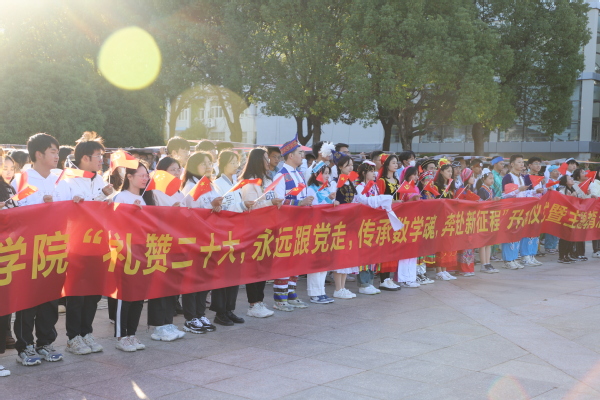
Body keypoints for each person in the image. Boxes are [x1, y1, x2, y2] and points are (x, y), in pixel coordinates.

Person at [13, 133, 71, 366]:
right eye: (53, 151)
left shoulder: (61, 179)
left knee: (50, 298)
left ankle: (45, 342)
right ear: (38, 154)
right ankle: (25, 346)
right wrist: (41, 207)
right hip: (28, 249)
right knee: (27, 299)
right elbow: (13, 213)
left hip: (55, 248)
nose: (57, 156)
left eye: (57, 152)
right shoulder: (22, 179)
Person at [63, 132, 114, 355]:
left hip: (98, 242)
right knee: (77, 293)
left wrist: (109, 199)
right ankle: (73, 337)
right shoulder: (69, 180)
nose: (101, 160)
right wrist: (99, 198)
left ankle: (87, 333)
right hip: (76, 245)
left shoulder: (99, 179)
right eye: (98, 156)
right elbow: (71, 211)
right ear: (84, 158)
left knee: (93, 291)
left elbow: (103, 208)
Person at [111, 162, 153, 352]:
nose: (145, 179)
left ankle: (132, 334)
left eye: (146, 175)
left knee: (138, 295)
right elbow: (116, 224)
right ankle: (121, 336)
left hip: (142, 251)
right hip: (125, 252)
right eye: (141, 175)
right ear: (129, 177)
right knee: (125, 295)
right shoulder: (121, 197)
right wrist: (130, 213)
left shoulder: (144, 198)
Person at [180, 152, 221, 333]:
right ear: (194, 166)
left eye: (210, 163)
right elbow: (190, 213)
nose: (208, 167)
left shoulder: (210, 184)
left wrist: (217, 206)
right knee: (193, 278)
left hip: (208, 238)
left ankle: (200, 313)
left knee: (204, 277)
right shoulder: (190, 186)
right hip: (194, 238)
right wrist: (211, 206)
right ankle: (190, 317)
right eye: (204, 163)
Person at [272, 135, 314, 311]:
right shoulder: (281, 175)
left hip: (300, 224)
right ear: (290, 156)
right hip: (286, 225)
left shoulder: (299, 174)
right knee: (284, 261)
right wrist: (300, 203)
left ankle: (291, 294)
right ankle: (280, 299)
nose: (302, 156)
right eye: (300, 153)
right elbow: (278, 202)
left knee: (296, 260)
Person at [147, 157, 186, 342]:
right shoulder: (154, 190)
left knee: (172, 285)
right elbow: (153, 216)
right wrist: (171, 211)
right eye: (172, 169)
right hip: (160, 243)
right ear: (162, 171)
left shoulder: (178, 191)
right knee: (159, 285)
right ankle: (158, 326)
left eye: (178, 169)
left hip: (176, 242)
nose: (177, 172)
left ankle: (168, 321)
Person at [210, 150, 251, 326]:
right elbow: (223, 208)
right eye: (233, 162)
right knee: (223, 272)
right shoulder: (217, 184)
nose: (236, 165)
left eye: (237, 162)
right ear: (223, 164)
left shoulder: (235, 183)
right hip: (223, 232)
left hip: (236, 230)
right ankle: (220, 311)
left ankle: (229, 309)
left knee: (234, 271)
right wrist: (241, 205)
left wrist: (244, 206)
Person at [240, 148, 282, 317]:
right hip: (254, 229)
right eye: (265, 158)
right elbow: (250, 205)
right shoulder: (249, 182)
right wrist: (270, 203)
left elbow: (270, 198)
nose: (268, 161)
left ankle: (260, 300)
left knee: (264, 266)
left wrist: (277, 201)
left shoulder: (267, 179)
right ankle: (253, 303)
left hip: (268, 227)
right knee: (254, 267)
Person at [305, 163, 337, 304]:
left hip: (326, 228)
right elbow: (315, 208)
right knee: (316, 261)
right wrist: (328, 199)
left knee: (324, 261)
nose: (327, 176)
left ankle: (321, 291)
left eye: (328, 173)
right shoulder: (311, 189)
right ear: (316, 174)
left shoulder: (326, 188)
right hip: (316, 228)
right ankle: (314, 293)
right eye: (325, 173)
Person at [375, 154, 402, 291]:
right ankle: (383, 278)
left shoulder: (397, 180)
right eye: (393, 162)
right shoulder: (381, 181)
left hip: (395, 216)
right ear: (386, 165)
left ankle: (389, 277)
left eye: (397, 162)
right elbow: (380, 199)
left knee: (393, 247)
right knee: (385, 247)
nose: (396, 165)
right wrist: (394, 202)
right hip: (385, 217)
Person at [433, 160, 458, 281]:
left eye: (451, 171)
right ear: (441, 171)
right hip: (440, 219)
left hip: (449, 218)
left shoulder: (450, 186)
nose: (450, 173)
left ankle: (445, 269)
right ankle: (438, 271)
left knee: (448, 244)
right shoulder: (436, 186)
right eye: (448, 171)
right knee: (440, 244)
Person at [476, 172, 499, 273]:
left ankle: (488, 263)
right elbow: (480, 204)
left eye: (492, 178)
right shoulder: (482, 190)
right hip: (483, 217)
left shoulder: (491, 189)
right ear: (484, 179)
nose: (492, 180)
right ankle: (483, 264)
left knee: (489, 242)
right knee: (483, 242)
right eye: (490, 178)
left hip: (490, 217)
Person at [556, 175, 580, 264]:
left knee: (571, 237)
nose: (572, 179)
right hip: (564, 216)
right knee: (564, 237)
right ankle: (562, 256)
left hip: (572, 216)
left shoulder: (573, 189)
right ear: (565, 182)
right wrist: (570, 197)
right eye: (570, 179)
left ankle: (568, 254)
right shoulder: (562, 190)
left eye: (572, 178)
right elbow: (561, 201)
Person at [456, 168, 475, 277]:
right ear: (466, 177)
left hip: (470, 220)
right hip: (462, 220)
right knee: (464, 244)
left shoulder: (470, 190)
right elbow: (456, 204)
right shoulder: (461, 190)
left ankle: (469, 267)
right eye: (471, 176)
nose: (473, 178)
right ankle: (462, 268)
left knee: (470, 244)